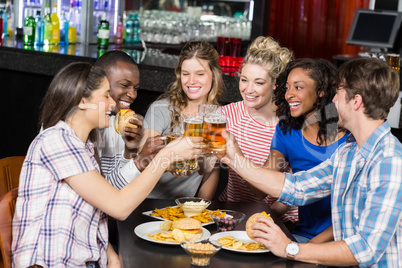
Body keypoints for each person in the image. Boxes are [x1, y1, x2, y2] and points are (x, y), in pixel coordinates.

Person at [12, 62, 202, 267]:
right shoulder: (57, 141)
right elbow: (118, 207)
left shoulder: (82, 146)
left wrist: (110, 255)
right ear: (83, 100)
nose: (113, 104)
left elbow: (97, 207)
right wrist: (166, 156)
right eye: (105, 95)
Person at [220, 57, 402, 267]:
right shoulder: (348, 152)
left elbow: (366, 249)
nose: (333, 101)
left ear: (356, 101)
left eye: (339, 93)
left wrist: (289, 247)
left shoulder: (389, 160)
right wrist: (233, 158)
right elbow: (297, 187)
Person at [264, 58, 349, 243]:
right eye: (287, 88)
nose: (289, 95)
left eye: (298, 87)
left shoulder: (349, 137)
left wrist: (304, 251)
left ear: (321, 91)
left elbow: (353, 215)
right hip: (302, 236)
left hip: (343, 241)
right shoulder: (287, 131)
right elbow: (262, 186)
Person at [217, 36, 298, 224]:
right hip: (232, 213)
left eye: (259, 83)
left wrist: (263, 219)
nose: (248, 89)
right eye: (244, 80)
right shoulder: (228, 114)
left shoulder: (290, 125)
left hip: (276, 219)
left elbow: (287, 195)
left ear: (276, 84)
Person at [139, 40, 224, 199]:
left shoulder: (216, 118)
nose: (191, 81)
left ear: (214, 75)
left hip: (185, 208)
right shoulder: (161, 109)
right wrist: (174, 155)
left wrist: (199, 210)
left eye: (200, 74)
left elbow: (210, 174)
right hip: (146, 202)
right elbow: (143, 160)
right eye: (186, 74)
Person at [94, 50, 164, 190]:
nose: (132, 95)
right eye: (125, 85)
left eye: (136, 88)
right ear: (99, 82)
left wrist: (130, 149)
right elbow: (102, 195)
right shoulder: (73, 129)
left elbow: (116, 189)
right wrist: (139, 161)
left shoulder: (118, 125)